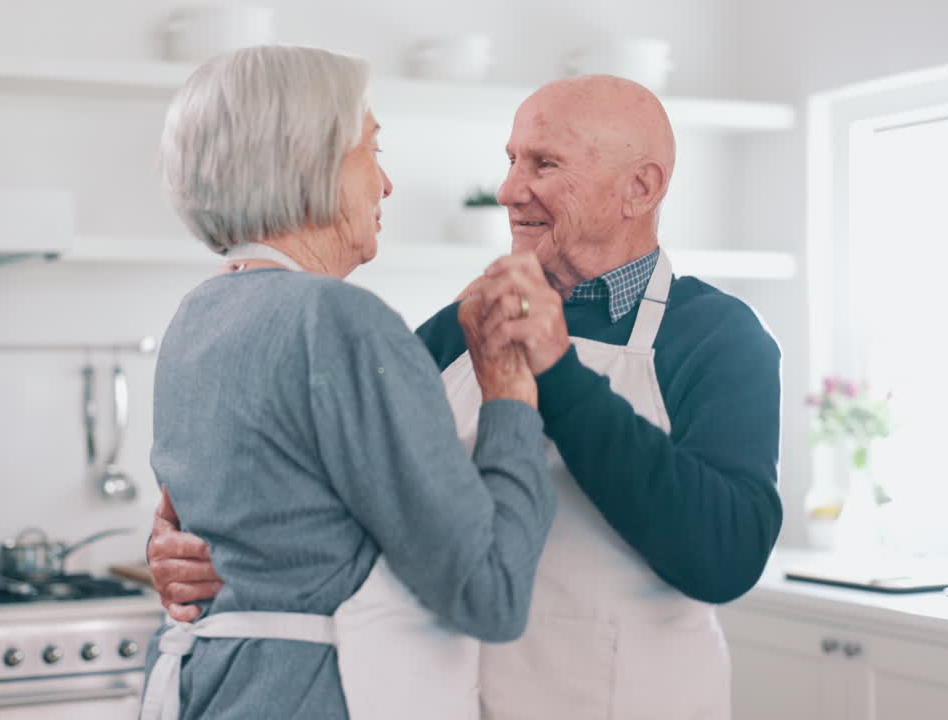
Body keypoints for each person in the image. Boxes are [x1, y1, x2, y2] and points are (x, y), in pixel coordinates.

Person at [149, 73, 783, 719]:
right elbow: (331, 498)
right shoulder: (461, 328)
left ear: (639, 187)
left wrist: (556, 372)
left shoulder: (713, 335)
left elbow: (725, 558)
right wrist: (194, 549)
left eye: (544, 163)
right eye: (511, 161)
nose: (509, 191)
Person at [137, 45, 557, 720]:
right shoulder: (336, 320)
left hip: (213, 690)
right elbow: (491, 592)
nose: (384, 185)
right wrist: (510, 391)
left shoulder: (199, 315)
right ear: (311, 162)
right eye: (371, 150)